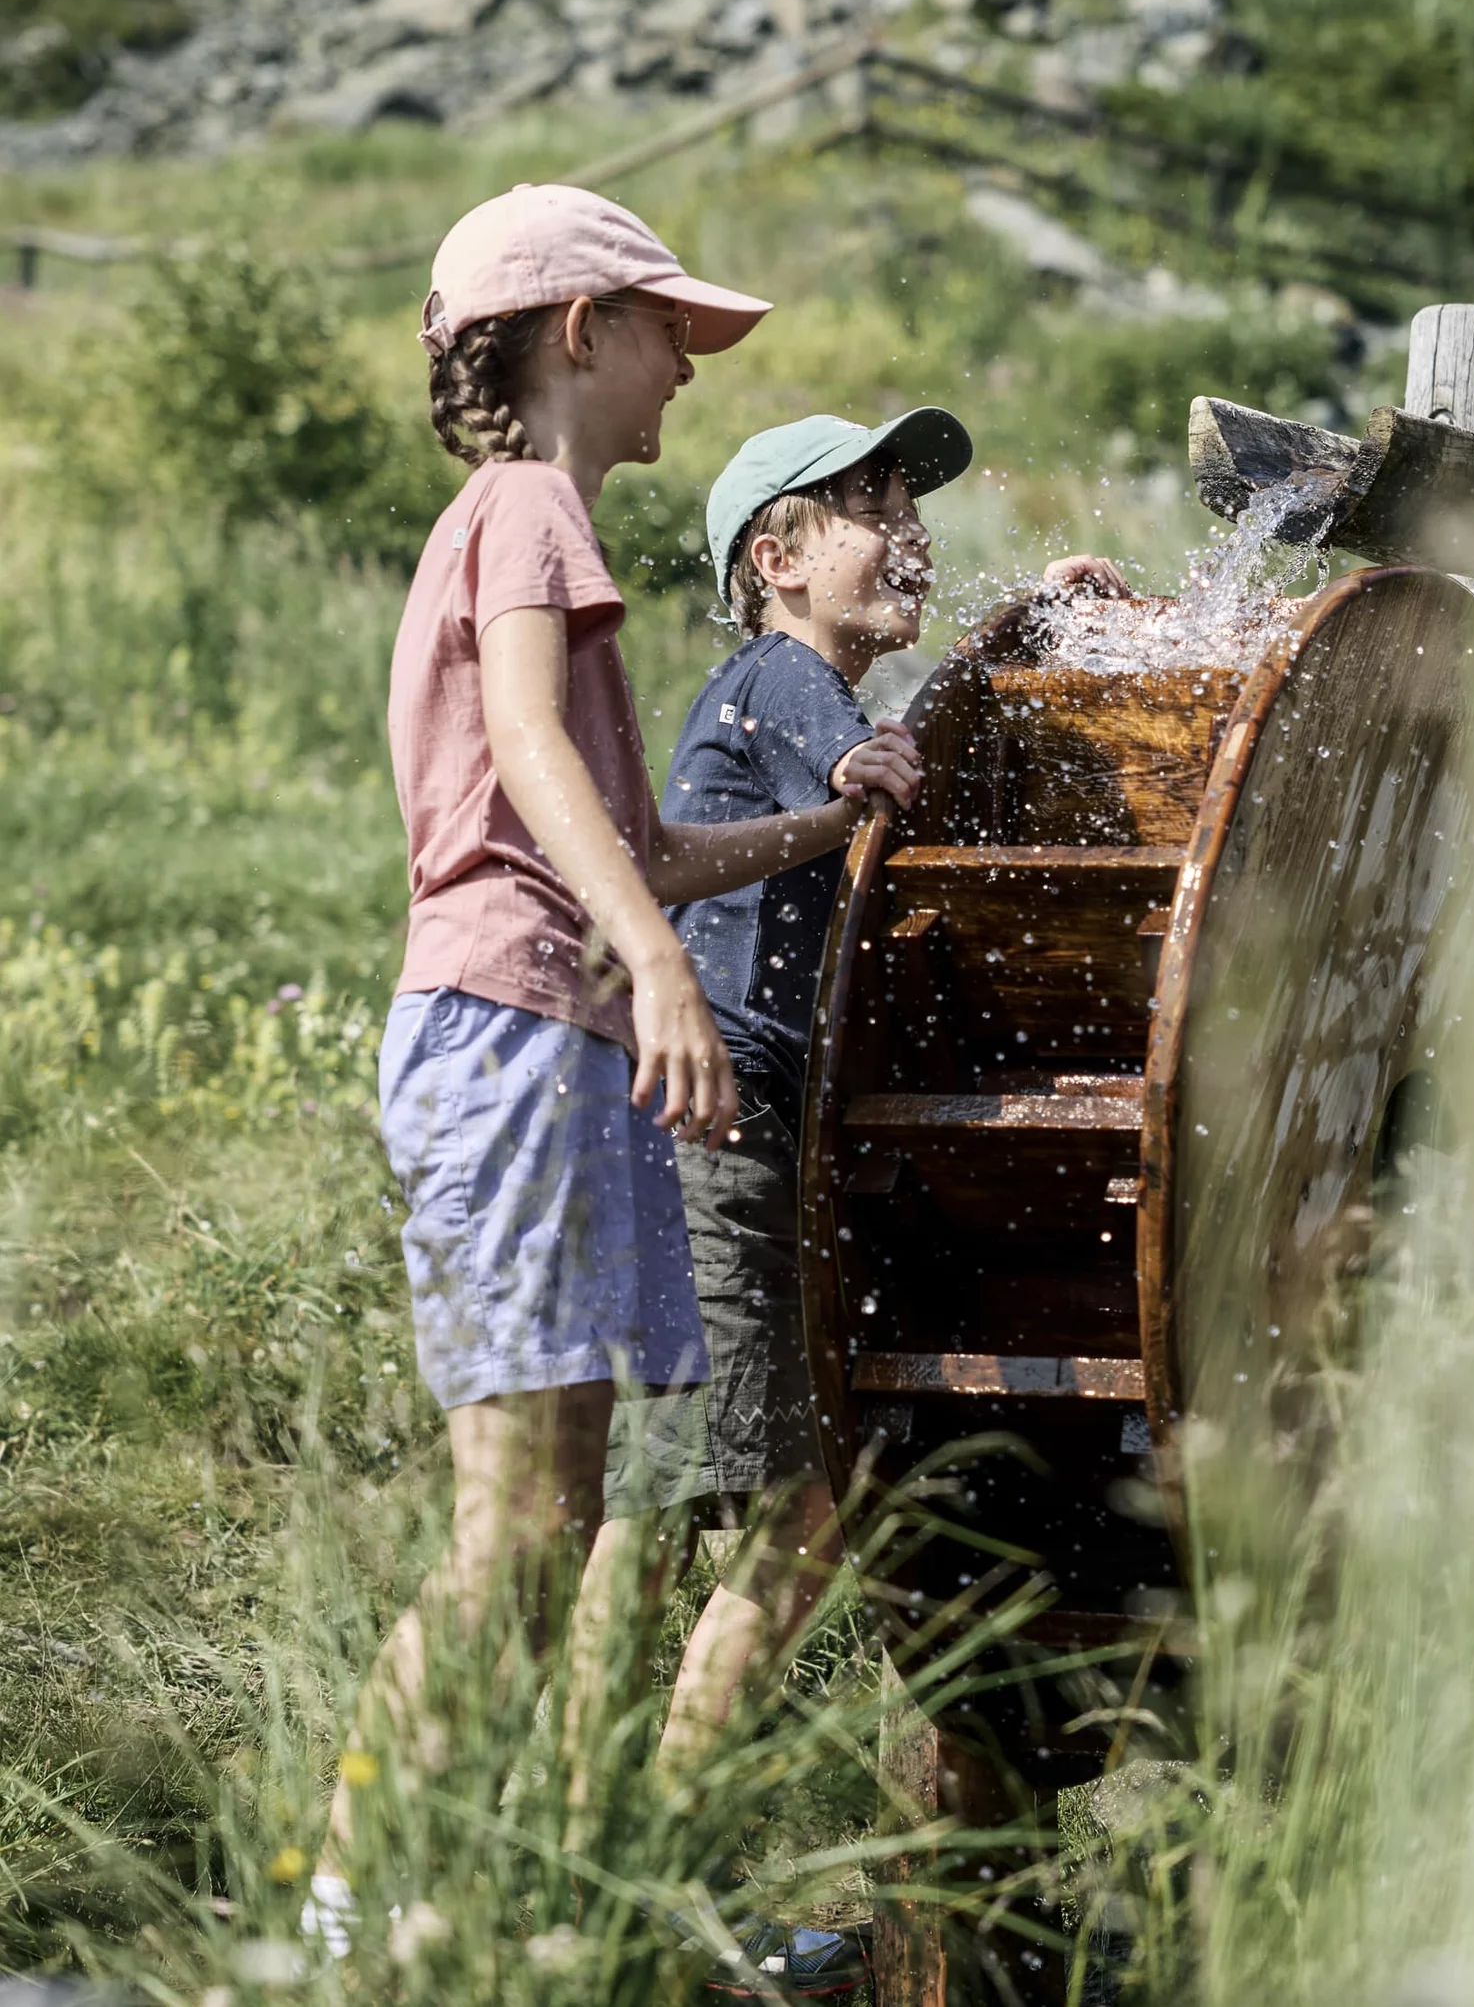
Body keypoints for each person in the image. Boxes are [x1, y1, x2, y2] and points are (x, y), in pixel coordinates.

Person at [302, 190, 922, 1953]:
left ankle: (492, 1903)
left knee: (565, 1523)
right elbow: (518, 752)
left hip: (555, 1042)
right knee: (511, 1531)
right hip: (516, 1028)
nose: (685, 372)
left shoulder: (548, 533)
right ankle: (350, 1923)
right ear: (577, 332)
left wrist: (813, 827)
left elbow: (637, 838)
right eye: (665, 335)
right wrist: (652, 962)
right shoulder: (520, 510)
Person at [568, 411, 1122, 1989]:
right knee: (779, 1522)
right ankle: (656, 1883)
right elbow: (870, 769)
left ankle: (590, 1861)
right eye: (870, 503)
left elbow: (876, 792)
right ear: (779, 556)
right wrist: (923, 724)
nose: (907, 526)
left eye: (910, 499)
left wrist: (1042, 623)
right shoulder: (784, 680)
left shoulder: (785, 691)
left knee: (655, 1522)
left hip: (701, 1143)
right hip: (723, 1144)